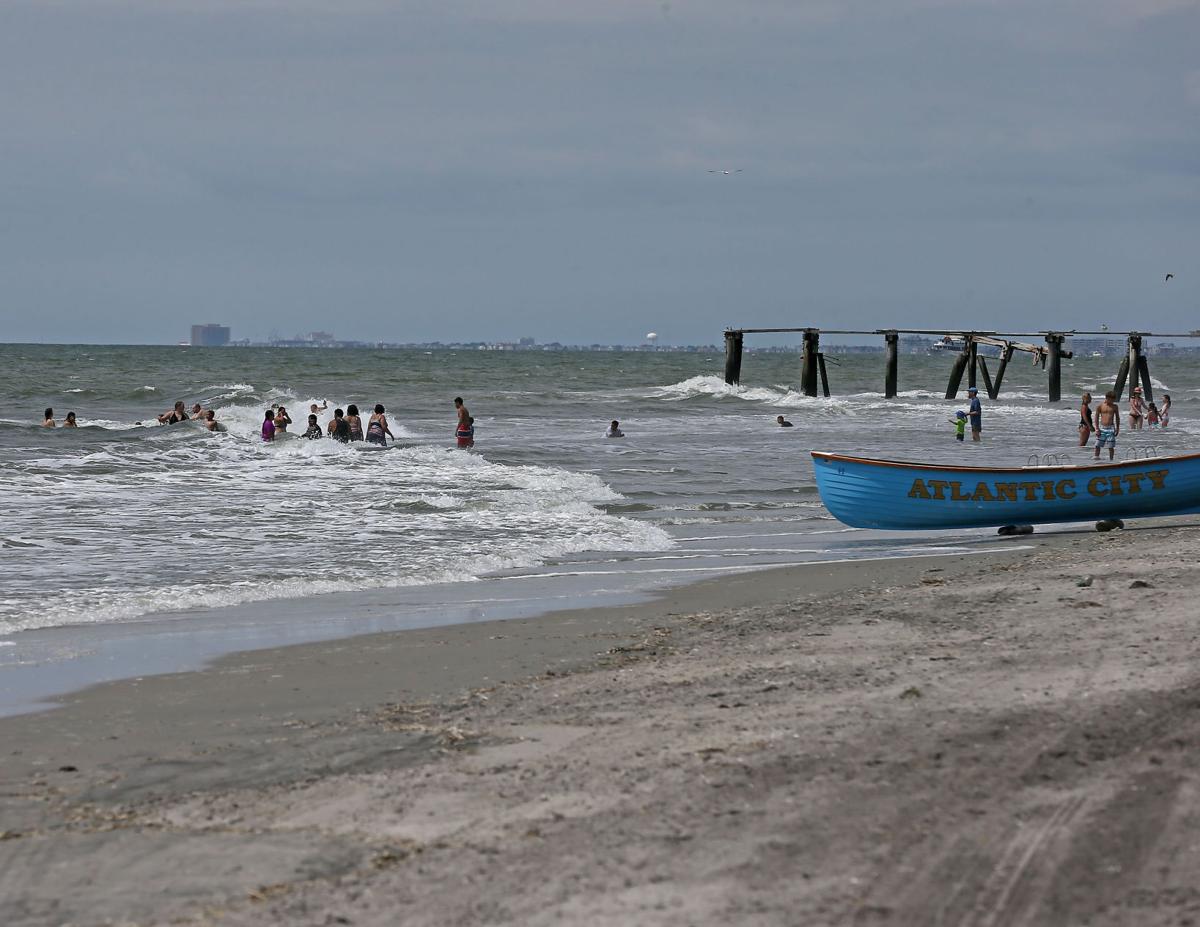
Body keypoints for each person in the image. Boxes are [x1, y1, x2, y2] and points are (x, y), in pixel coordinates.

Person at [1094, 390, 1120, 460]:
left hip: (1111, 428)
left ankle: (1111, 460)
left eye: (1113, 399)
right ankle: (1096, 459)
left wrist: (1117, 429)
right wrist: (1097, 428)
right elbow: (1096, 418)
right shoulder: (1100, 406)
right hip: (1102, 428)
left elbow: (1117, 418)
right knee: (1097, 445)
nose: (1112, 401)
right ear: (1107, 398)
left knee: (1111, 446)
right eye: (1111, 399)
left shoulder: (1115, 407)